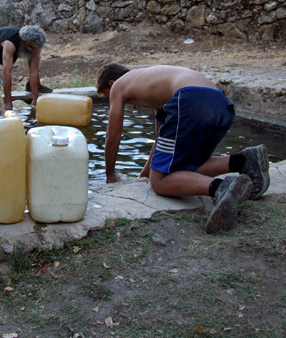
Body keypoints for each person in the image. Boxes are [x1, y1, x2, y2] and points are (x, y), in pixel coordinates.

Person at [96, 63, 270, 234]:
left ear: (111, 84)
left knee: (160, 183)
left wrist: (110, 174)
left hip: (190, 100)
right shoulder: (153, 82)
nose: (111, 100)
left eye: (107, 96)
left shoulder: (119, 86)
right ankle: (244, 161)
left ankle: (222, 187)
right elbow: (161, 141)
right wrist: (144, 176)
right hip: (220, 104)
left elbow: (112, 137)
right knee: (185, 167)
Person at [0, 25, 52, 110]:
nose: (32, 50)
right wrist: (8, 103)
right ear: (24, 42)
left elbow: (33, 71)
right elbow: (6, 73)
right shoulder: (10, 43)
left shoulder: (36, 45)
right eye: (30, 47)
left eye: (34, 48)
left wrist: (35, 99)